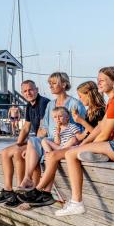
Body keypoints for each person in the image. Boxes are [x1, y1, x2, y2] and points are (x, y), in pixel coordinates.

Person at [55, 67, 114, 216]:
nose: (99, 83)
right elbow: (100, 126)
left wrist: (83, 148)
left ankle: (77, 203)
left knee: (70, 154)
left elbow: (105, 135)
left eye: (102, 80)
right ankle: (98, 155)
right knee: (77, 151)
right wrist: (83, 144)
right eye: (98, 80)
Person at [18, 80, 106, 207]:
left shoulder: (99, 111)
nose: (80, 99)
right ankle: (44, 192)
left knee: (52, 156)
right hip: (85, 144)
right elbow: (89, 134)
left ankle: (38, 191)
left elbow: (94, 133)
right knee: (48, 154)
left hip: (91, 145)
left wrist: (80, 122)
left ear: (89, 94)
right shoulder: (90, 111)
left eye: (81, 96)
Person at [18, 72, 86, 201]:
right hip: (52, 140)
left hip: (67, 142)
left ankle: (42, 192)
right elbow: (44, 128)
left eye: (54, 83)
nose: (50, 86)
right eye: (50, 83)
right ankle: (27, 179)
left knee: (43, 152)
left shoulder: (75, 104)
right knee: (32, 141)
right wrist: (32, 146)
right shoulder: (50, 105)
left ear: (64, 84)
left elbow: (80, 131)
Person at [0, 80, 50, 206]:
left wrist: (27, 147)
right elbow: (25, 128)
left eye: (30, 90)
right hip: (36, 139)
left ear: (37, 89)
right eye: (25, 91)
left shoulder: (43, 103)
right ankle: (8, 190)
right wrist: (18, 143)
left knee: (19, 153)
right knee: (5, 152)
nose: (28, 93)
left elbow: (43, 129)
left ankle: (22, 192)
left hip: (44, 140)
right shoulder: (30, 105)